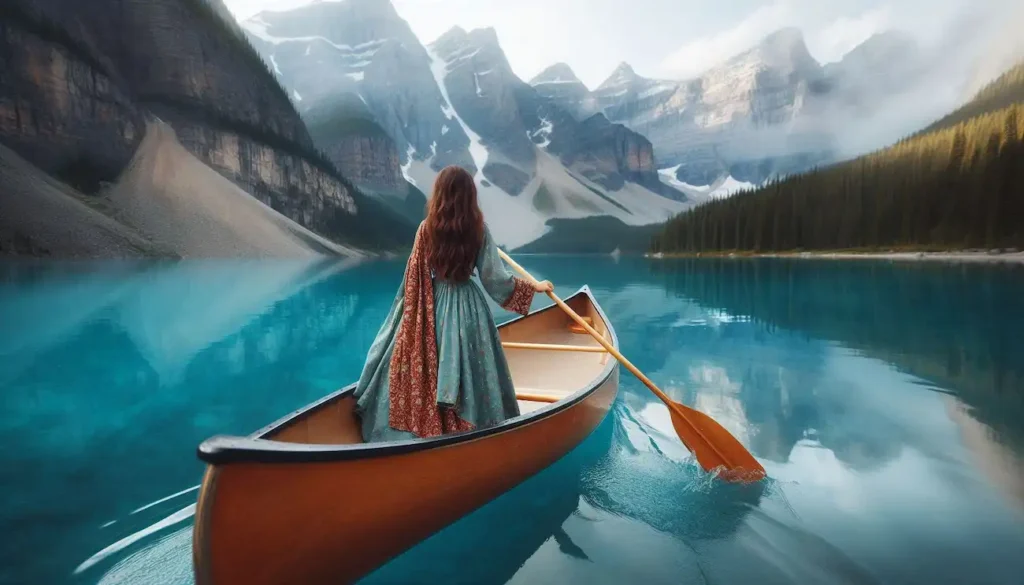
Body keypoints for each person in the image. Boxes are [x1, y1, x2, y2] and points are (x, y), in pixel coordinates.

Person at [353, 166, 554, 442]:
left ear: (440, 194)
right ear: (470, 196)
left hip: (433, 305)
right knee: (473, 368)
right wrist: (535, 287)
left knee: (430, 363)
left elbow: (413, 278)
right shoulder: (479, 230)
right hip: (469, 306)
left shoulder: (426, 229)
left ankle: (434, 425)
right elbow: (494, 280)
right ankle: (473, 427)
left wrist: (405, 319)